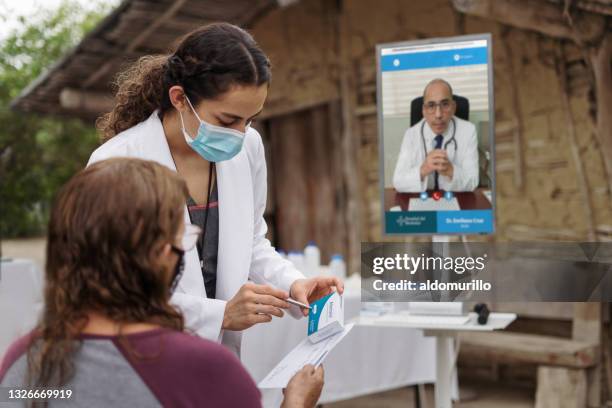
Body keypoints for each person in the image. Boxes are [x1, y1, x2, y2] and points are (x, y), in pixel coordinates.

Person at [89, 23, 343, 355]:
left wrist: (293, 283)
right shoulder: (116, 162)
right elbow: (113, 290)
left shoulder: (248, 147)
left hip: (219, 359)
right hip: (145, 357)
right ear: (179, 98)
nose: (240, 133)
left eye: (250, 119)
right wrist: (218, 315)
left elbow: (251, 243)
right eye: (226, 121)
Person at [0, 158, 324, 408]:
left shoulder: (24, 359)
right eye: (183, 236)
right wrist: (295, 402)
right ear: (158, 254)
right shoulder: (205, 369)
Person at [392, 78, 479, 193]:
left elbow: (473, 182)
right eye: (431, 105)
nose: (438, 115)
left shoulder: (468, 131)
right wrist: (423, 169)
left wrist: (451, 170)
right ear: (424, 110)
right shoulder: (411, 135)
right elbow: (398, 182)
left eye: (445, 104)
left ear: (453, 107)